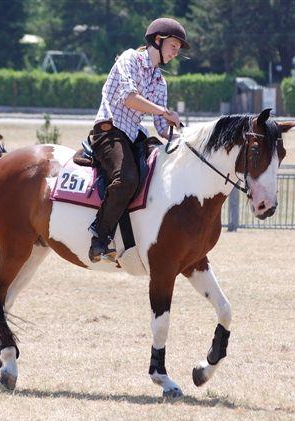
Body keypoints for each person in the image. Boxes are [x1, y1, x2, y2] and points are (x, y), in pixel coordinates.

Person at [88, 17, 187, 263]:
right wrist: (163, 112)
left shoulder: (159, 81)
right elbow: (129, 98)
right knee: (127, 179)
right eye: (174, 46)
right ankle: (99, 237)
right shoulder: (129, 59)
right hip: (108, 131)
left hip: (133, 135)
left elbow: (163, 128)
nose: (176, 52)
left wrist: (185, 134)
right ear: (158, 40)